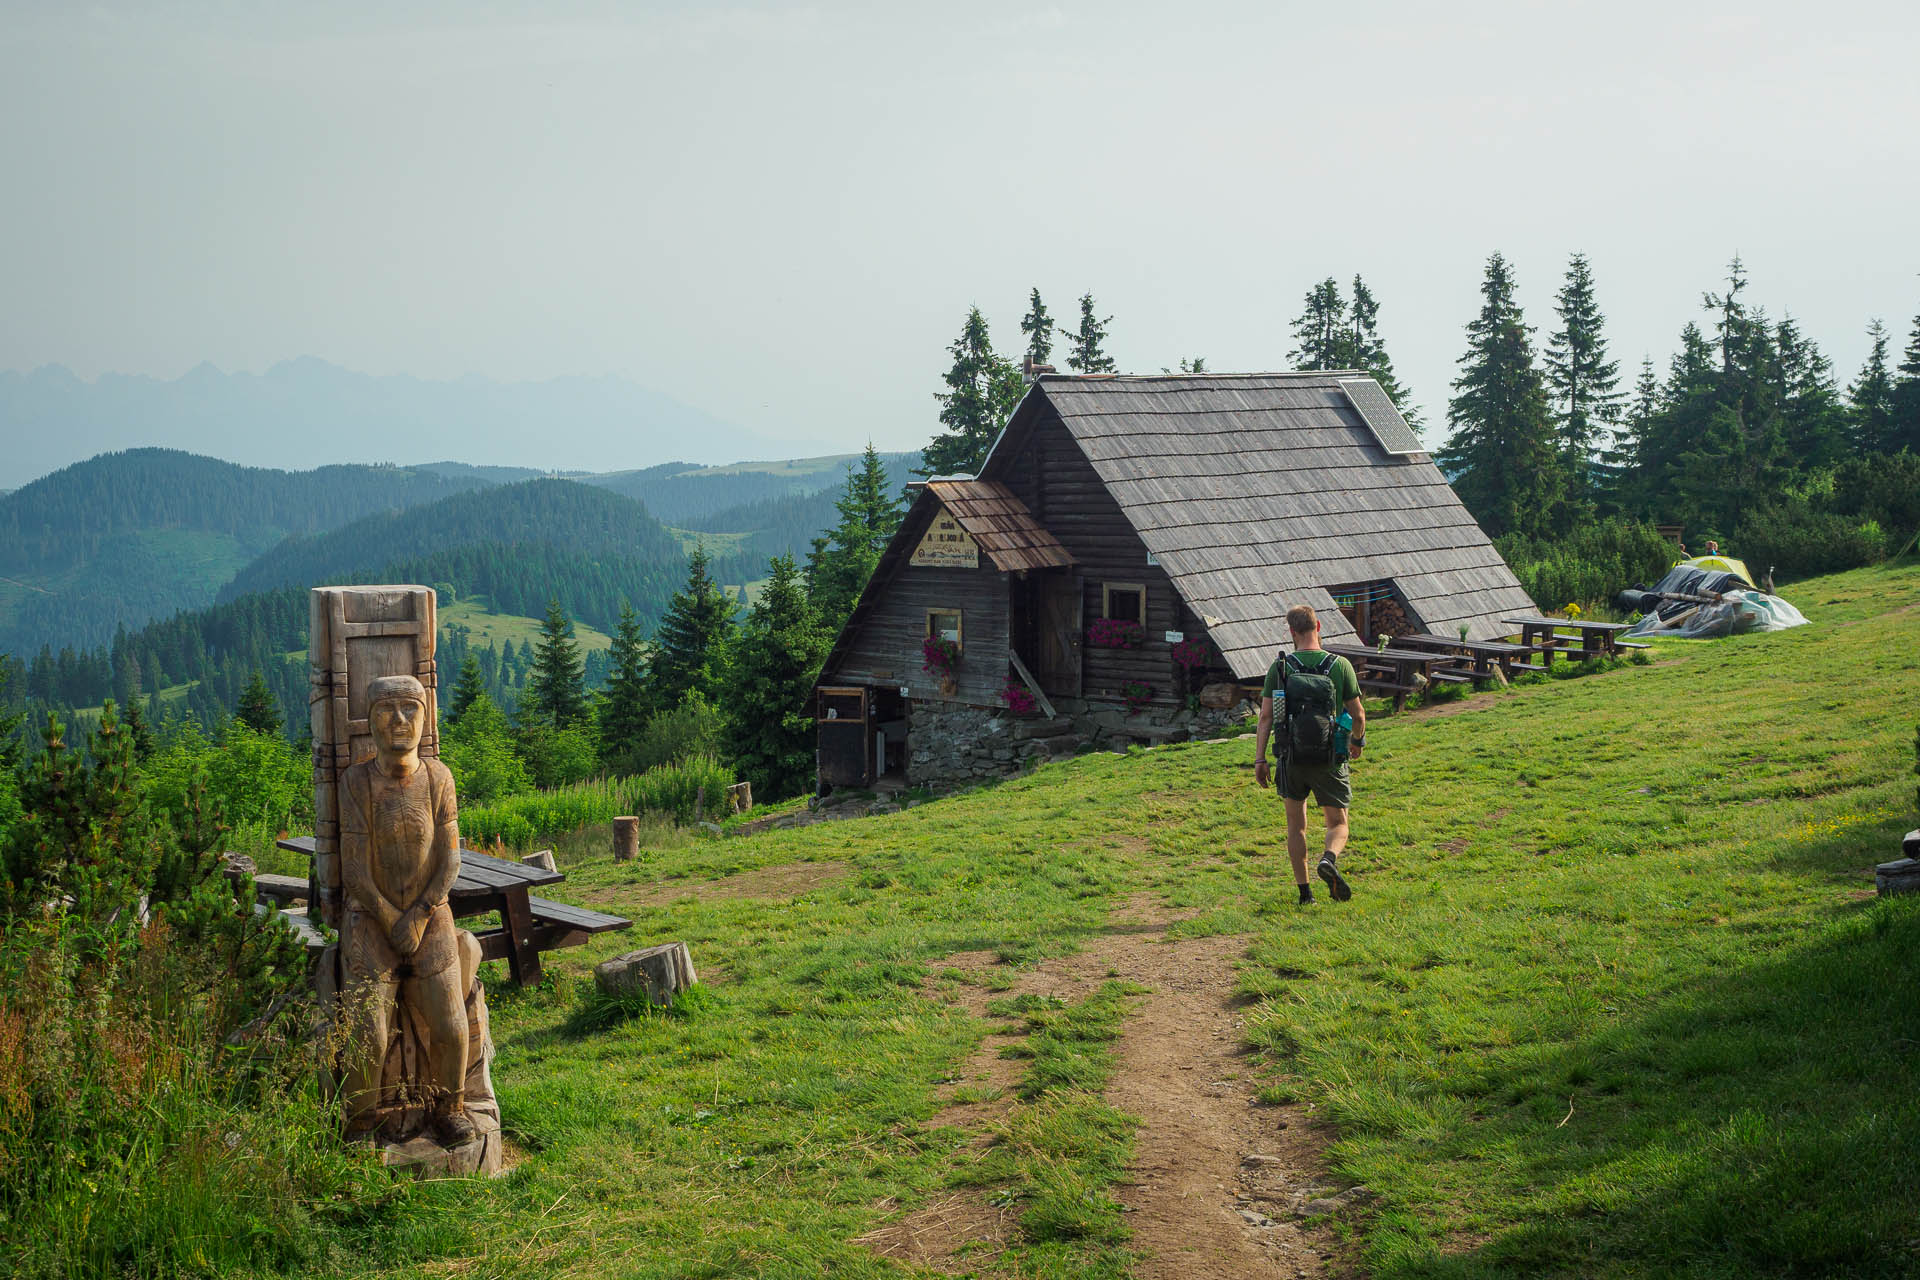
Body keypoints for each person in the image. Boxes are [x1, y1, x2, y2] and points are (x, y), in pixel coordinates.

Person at [1254, 604, 1367, 904]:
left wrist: (1260, 759)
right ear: (1319, 627)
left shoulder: (1280, 668)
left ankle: (1305, 895)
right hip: (1328, 756)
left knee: (1296, 825)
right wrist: (1357, 741)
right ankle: (1328, 858)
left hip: (1291, 758)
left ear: (1291, 632)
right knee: (1338, 823)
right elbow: (1358, 714)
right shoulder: (1339, 665)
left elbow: (1265, 717)